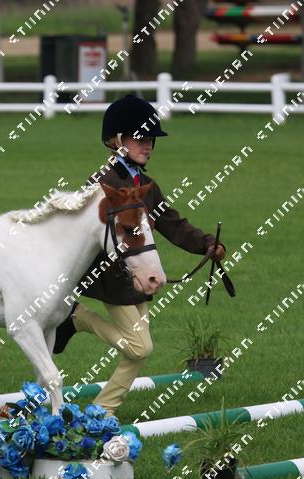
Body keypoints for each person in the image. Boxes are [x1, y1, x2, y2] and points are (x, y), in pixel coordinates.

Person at [52, 94, 226, 418]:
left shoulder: (146, 185)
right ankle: (77, 318)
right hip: (108, 280)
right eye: (141, 139)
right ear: (118, 140)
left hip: (137, 279)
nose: (148, 146)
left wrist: (206, 243)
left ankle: (102, 410)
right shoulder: (102, 184)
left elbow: (172, 223)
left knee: (137, 351)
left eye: (151, 140)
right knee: (140, 347)